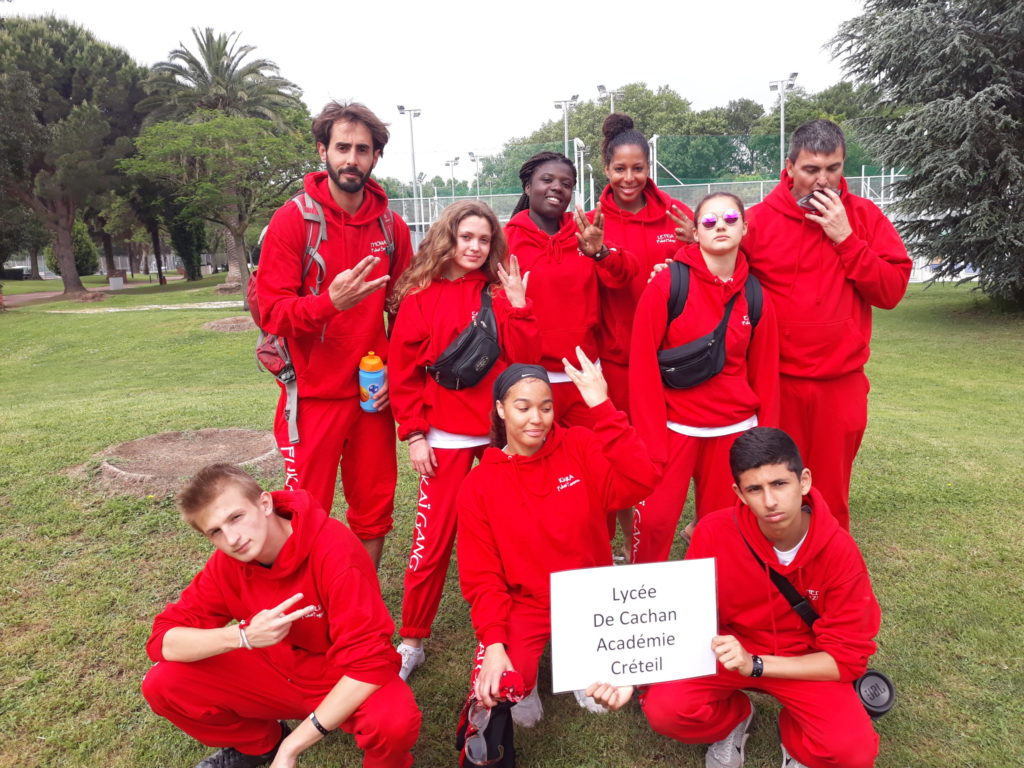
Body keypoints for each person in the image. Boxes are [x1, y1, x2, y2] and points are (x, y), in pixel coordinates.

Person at [587, 427, 882, 768]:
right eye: (755, 489)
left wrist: (756, 664)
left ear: (803, 481)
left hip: (804, 659)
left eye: (780, 484)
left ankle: (797, 740)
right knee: (665, 711)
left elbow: (846, 660)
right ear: (738, 493)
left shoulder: (840, 552)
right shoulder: (713, 531)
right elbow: (683, 615)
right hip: (728, 648)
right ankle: (735, 717)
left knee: (852, 753)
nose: (770, 501)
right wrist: (636, 674)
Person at [141, 463, 421, 768]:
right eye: (216, 531)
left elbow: (370, 663)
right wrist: (241, 636)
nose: (232, 539)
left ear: (264, 503)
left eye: (236, 517)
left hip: (340, 672)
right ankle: (262, 745)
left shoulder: (335, 551)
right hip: (275, 665)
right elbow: (163, 639)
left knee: (394, 721)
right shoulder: (226, 565)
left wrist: (293, 747)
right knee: (163, 683)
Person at [455, 355, 660, 766]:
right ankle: (528, 681)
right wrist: (494, 643)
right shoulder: (480, 484)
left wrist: (603, 407)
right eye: (523, 406)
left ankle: (585, 663)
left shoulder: (579, 445)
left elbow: (642, 479)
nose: (537, 418)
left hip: (590, 597)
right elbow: (483, 576)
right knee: (501, 685)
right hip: (526, 602)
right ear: (500, 409)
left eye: (546, 407)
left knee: (604, 691)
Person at [255, 101, 413, 567]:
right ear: (323, 151)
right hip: (312, 397)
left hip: (371, 397)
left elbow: (406, 313)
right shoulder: (293, 220)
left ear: (375, 158)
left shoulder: (391, 225)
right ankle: (312, 615)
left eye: (362, 150)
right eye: (342, 147)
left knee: (374, 512)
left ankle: (360, 611)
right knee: (304, 514)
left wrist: (396, 374)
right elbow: (272, 313)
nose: (352, 159)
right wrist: (330, 305)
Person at [386, 200, 537, 680]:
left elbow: (526, 365)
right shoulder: (420, 296)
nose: (474, 247)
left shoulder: (499, 291)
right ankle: (412, 638)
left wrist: (518, 306)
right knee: (431, 541)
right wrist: (413, 433)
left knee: (512, 538)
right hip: (444, 435)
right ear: (448, 239)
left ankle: (514, 633)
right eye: (465, 237)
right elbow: (403, 372)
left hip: (497, 438)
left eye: (483, 239)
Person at [743, 119, 911, 531]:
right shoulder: (759, 221)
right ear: (790, 167)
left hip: (841, 380)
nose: (823, 181)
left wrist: (846, 238)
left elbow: (890, 292)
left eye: (833, 169)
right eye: (811, 170)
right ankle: (771, 565)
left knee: (830, 492)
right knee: (774, 485)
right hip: (777, 381)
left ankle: (827, 570)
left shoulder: (864, 216)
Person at [629, 193, 779, 564]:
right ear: (695, 233)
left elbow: (766, 376)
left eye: (730, 218)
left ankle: (719, 604)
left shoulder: (756, 296)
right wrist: (650, 440)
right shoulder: (667, 285)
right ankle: (643, 601)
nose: (721, 226)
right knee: (654, 522)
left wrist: (764, 444)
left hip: (733, 430)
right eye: (709, 222)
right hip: (674, 428)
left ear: (745, 227)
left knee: (724, 529)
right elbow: (643, 366)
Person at [592, 113, 696, 561]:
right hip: (616, 362)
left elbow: (718, 263)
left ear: (649, 168)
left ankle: (652, 546)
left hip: (671, 364)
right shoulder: (594, 221)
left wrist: (695, 245)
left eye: (638, 168)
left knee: (662, 459)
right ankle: (618, 547)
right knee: (616, 458)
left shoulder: (677, 215)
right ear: (607, 170)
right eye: (620, 169)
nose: (629, 178)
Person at [503, 151, 637, 428]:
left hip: (585, 375)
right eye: (547, 180)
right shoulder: (506, 241)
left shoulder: (585, 231)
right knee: (539, 464)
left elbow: (627, 273)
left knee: (593, 461)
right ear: (528, 186)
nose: (557, 188)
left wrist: (599, 252)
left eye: (566, 184)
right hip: (532, 378)